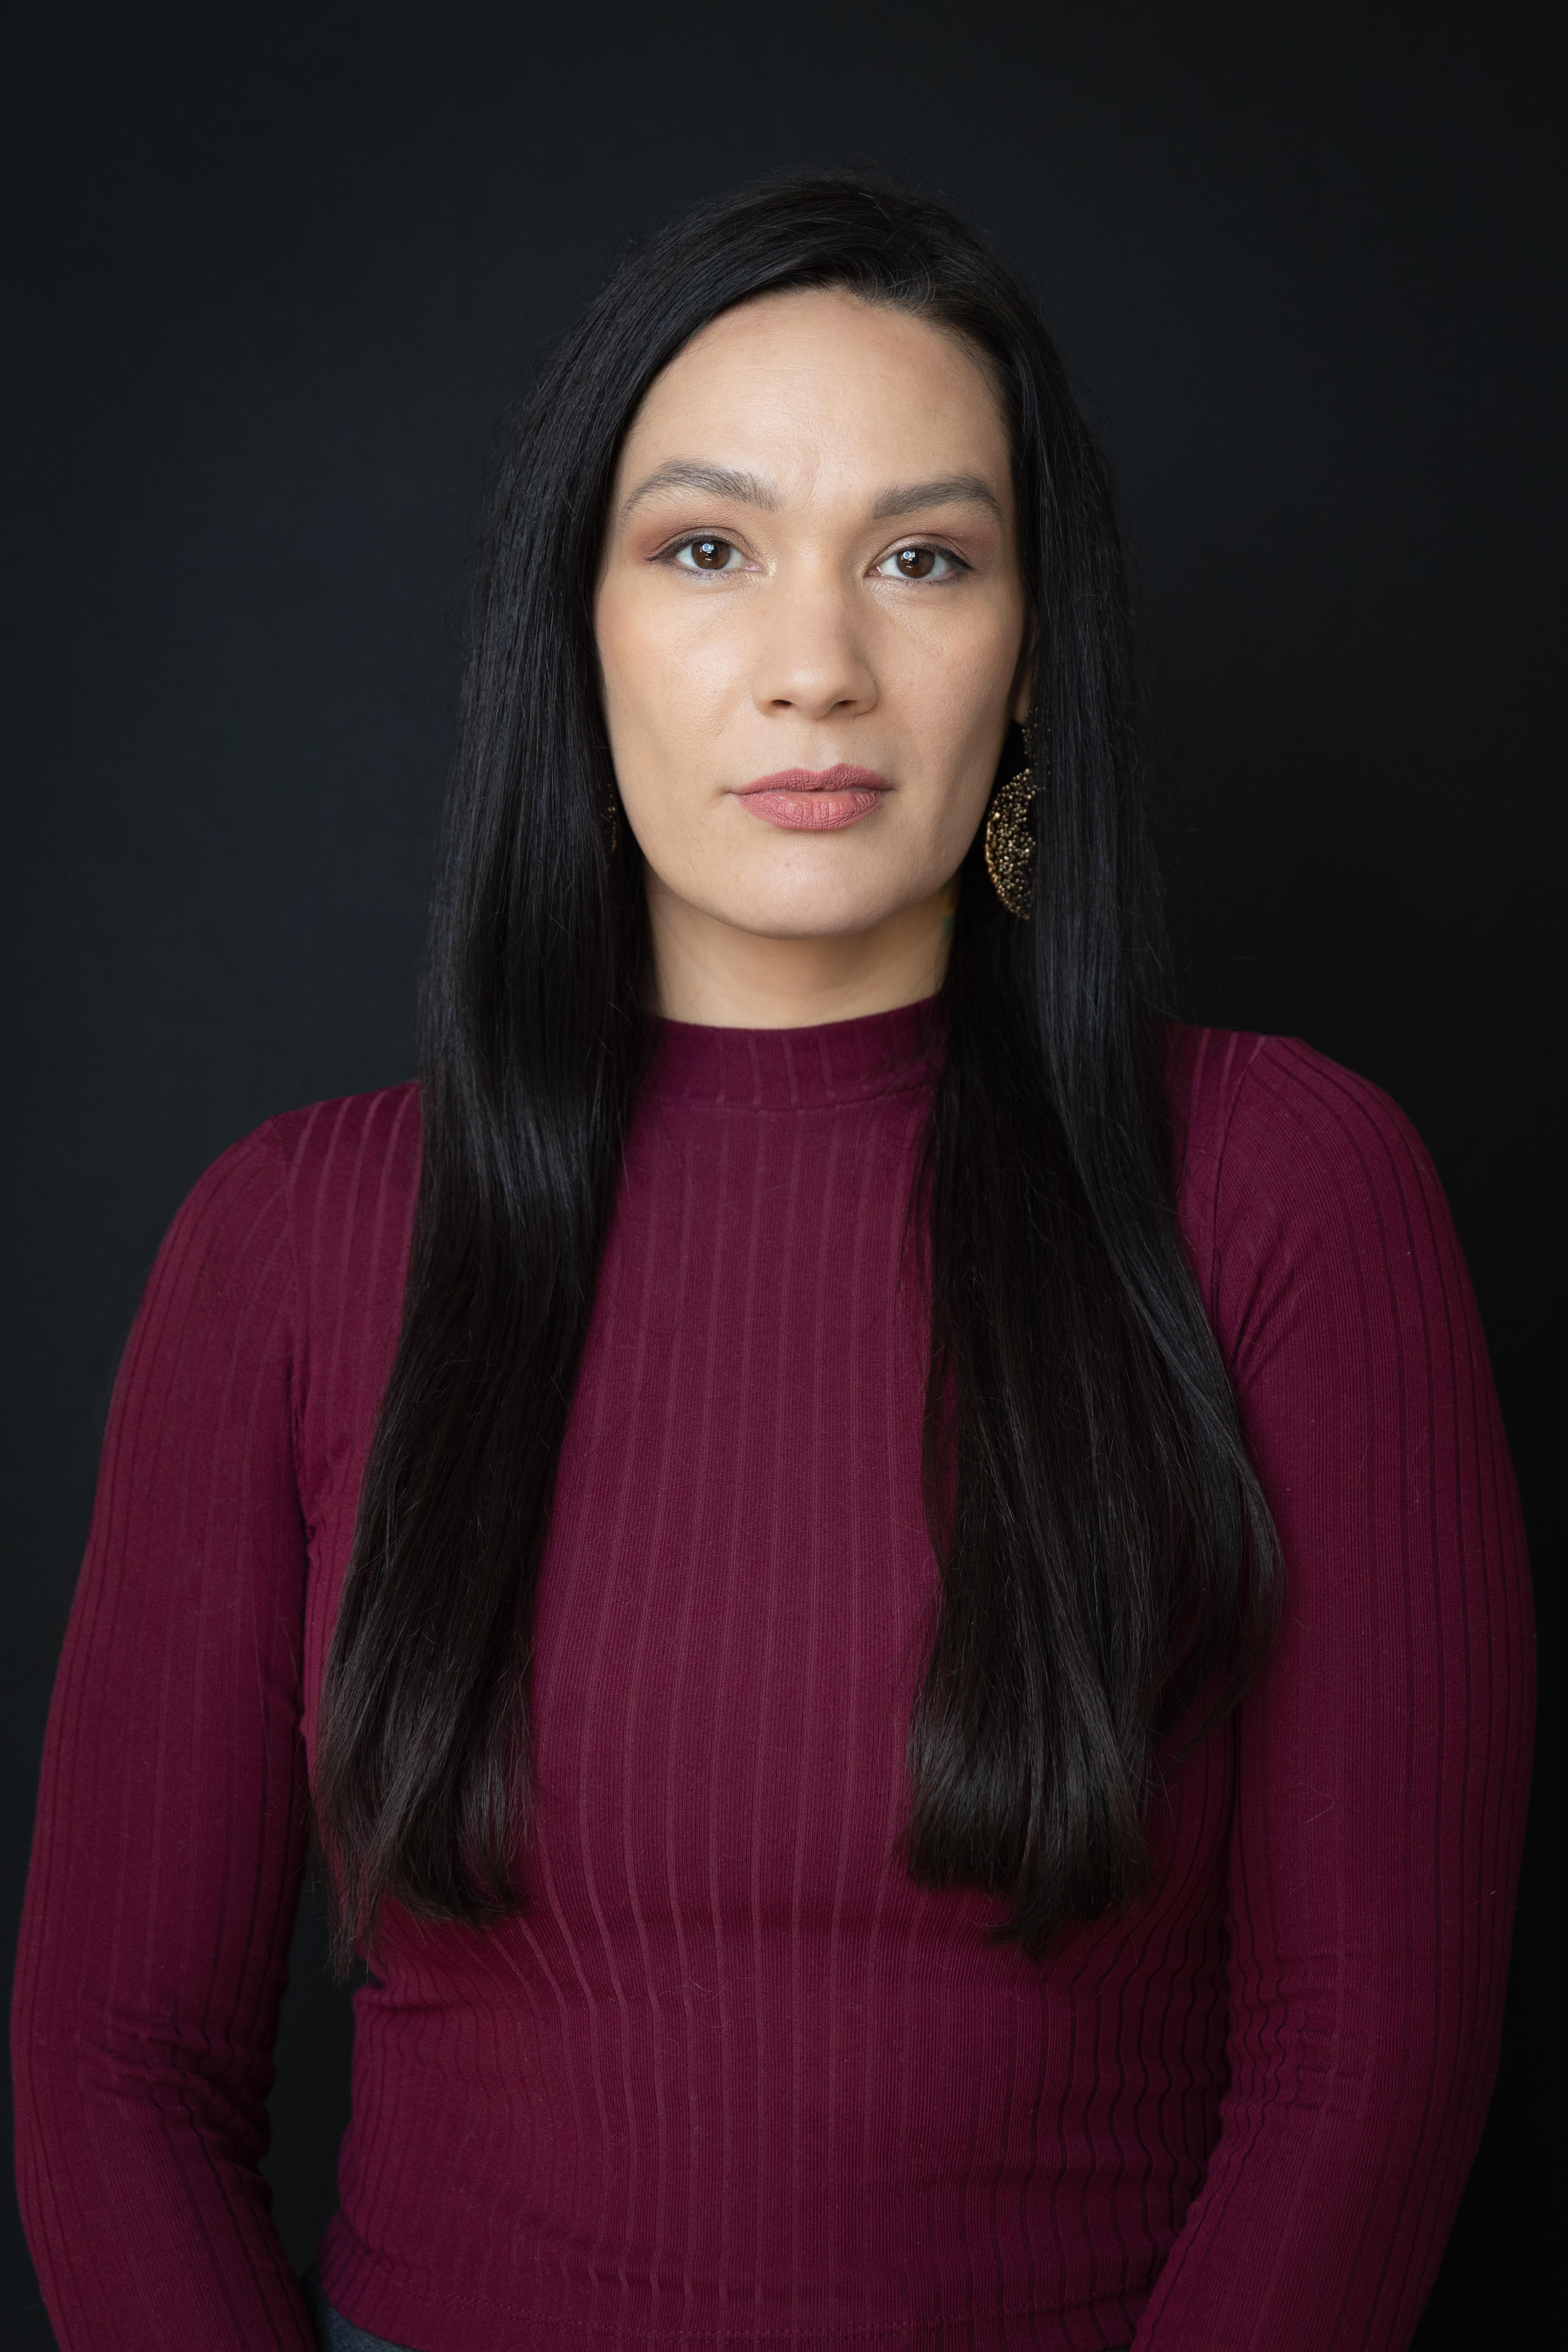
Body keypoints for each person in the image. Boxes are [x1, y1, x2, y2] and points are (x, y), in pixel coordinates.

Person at [11, 170, 1534, 2352]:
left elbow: (1365, 2067)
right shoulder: (295, 1240)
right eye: (707, 549)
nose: (817, 663)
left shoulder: (1285, 1191)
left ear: (1030, 666)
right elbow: (114, 2071)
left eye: (924, 560)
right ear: (581, 626)